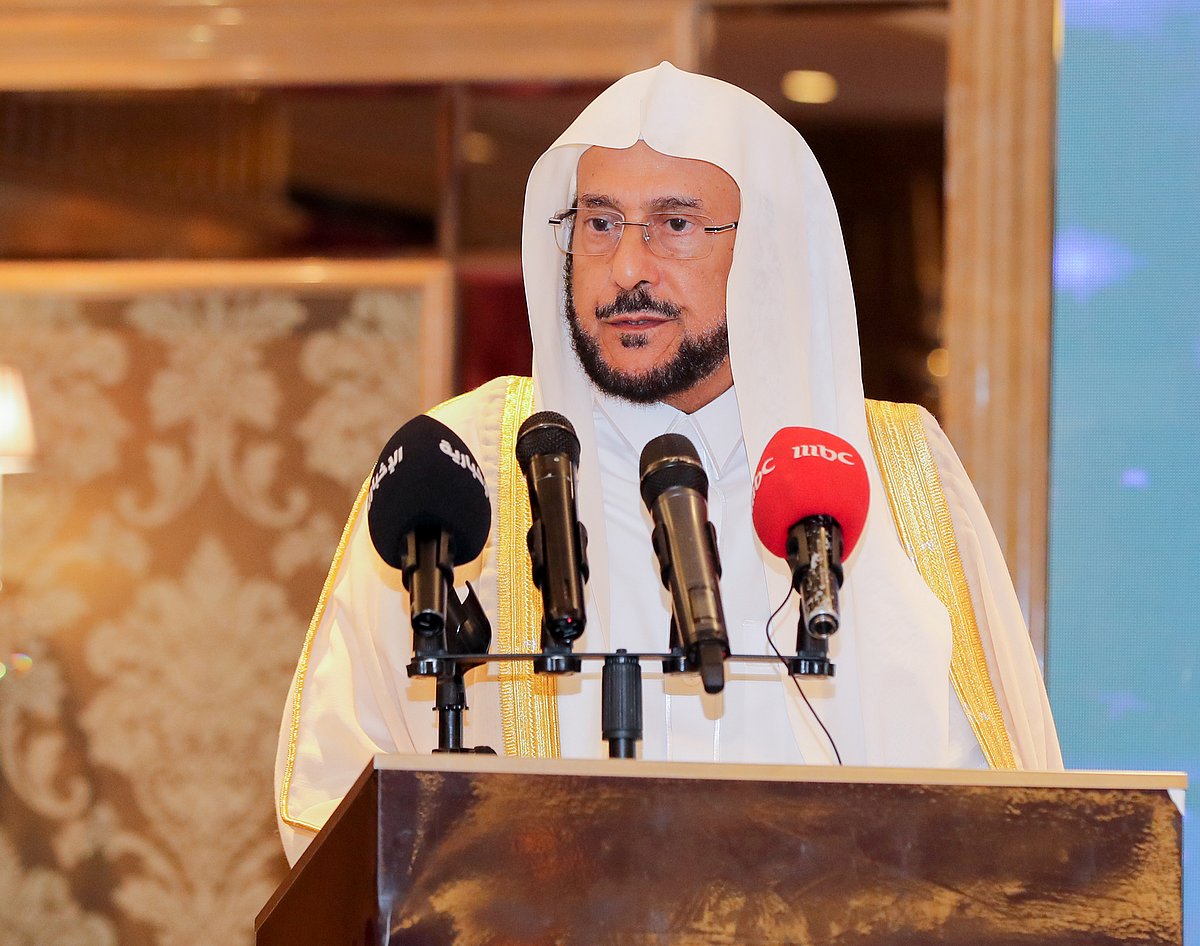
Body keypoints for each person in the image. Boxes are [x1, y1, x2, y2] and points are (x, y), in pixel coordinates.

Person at [274, 62, 1061, 865]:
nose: (627, 269)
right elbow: (334, 811)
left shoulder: (897, 475)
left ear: (765, 250)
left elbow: (1007, 824)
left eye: (675, 224)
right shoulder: (459, 467)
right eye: (600, 223)